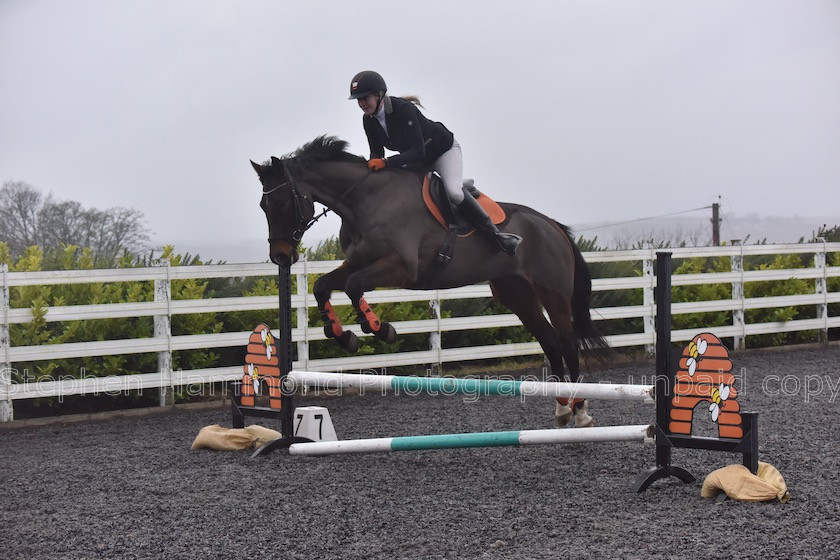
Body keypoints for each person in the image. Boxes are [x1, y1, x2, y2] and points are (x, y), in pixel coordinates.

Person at [348, 70, 522, 256]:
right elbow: (377, 153)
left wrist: (386, 162)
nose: (362, 103)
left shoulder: (403, 109)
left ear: (379, 94)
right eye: (358, 100)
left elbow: (416, 151)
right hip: (418, 161)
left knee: (454, 193)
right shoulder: (368, 120)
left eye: (365, 98)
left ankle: (497, 236)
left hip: (443, 151)